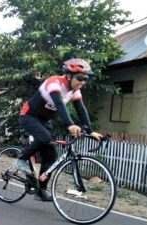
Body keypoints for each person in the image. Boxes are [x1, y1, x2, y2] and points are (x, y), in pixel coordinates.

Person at [17, 58, 103, 202]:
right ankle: (22, 158)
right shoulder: (55, 82)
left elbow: (81, 110)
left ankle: (41, 191)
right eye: (80, 78)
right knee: (45, 138)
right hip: (28, 116)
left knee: (51, 157)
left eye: (85, 79)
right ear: (69, 76)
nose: (82, 82)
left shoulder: (74, 91)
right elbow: (59, 103)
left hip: (44, 121)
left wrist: (90, 131)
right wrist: (70, 124)